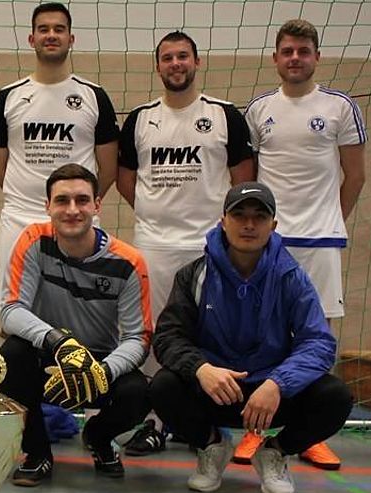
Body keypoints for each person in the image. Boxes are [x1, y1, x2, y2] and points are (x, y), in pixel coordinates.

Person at [149, 182, 352, 493]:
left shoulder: (290, 277)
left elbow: (319, 342)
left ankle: (274, 452)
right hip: (216, 391)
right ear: (223, 222)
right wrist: (201, 368)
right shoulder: (195, 275)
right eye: (239, 215)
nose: (249, 224)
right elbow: (167, 336)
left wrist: (278, 383)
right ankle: (212, 446)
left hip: (269, 398)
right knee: (163, 386)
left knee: (336, 396)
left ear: (273, 225)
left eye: (259, 216)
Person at [117, 30, 255, 455]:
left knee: (211, 331)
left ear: (197, 62)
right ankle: (155, 422)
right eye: (167, 58)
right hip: (155, 244)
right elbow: (126, 179)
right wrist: (156, 213)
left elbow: (243, 179)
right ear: (158, 66)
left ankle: (204, 420)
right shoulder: (140, 119)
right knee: (156, 332)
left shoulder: (224, 115)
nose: (175, 64)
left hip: (208, 246)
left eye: (183, 56)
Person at [241, 18, 367, 470]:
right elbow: (249, 179)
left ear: (317, 57)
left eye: (303, 51)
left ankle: (309, 433)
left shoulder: (339, 107)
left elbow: (355, 175)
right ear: (275, 58)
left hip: (320, 241)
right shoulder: (259, 110)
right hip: (270, 242)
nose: (295, 58)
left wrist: (330, 221)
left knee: (319, 335)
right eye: (287, 51)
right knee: (262, 333)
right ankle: (254, 430)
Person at [0, 163, 151, 487]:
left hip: (98, 364)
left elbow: (137, 338)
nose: (72, 210)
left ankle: (98, 437)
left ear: (97, 205)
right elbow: (11, 310)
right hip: (50, 357)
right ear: (47, 206)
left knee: (140, 393)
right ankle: (37, 453)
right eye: (62, 200)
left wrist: (102, 372)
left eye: (82, 200)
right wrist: (58, 342)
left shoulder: (129, 262)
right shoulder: (34, 240)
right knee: (11, 355)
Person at [0, 2, 119, 309]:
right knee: (15, 310)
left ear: (71, 38)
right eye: (43, 29)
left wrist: (78, 203)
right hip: (19, 217)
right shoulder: (8, 97)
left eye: (59, 29)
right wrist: (27, 195)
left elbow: (109, 168)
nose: (51, 35)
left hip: (77, 220)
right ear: (31, 38)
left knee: (81, 310)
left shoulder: (94, 96)